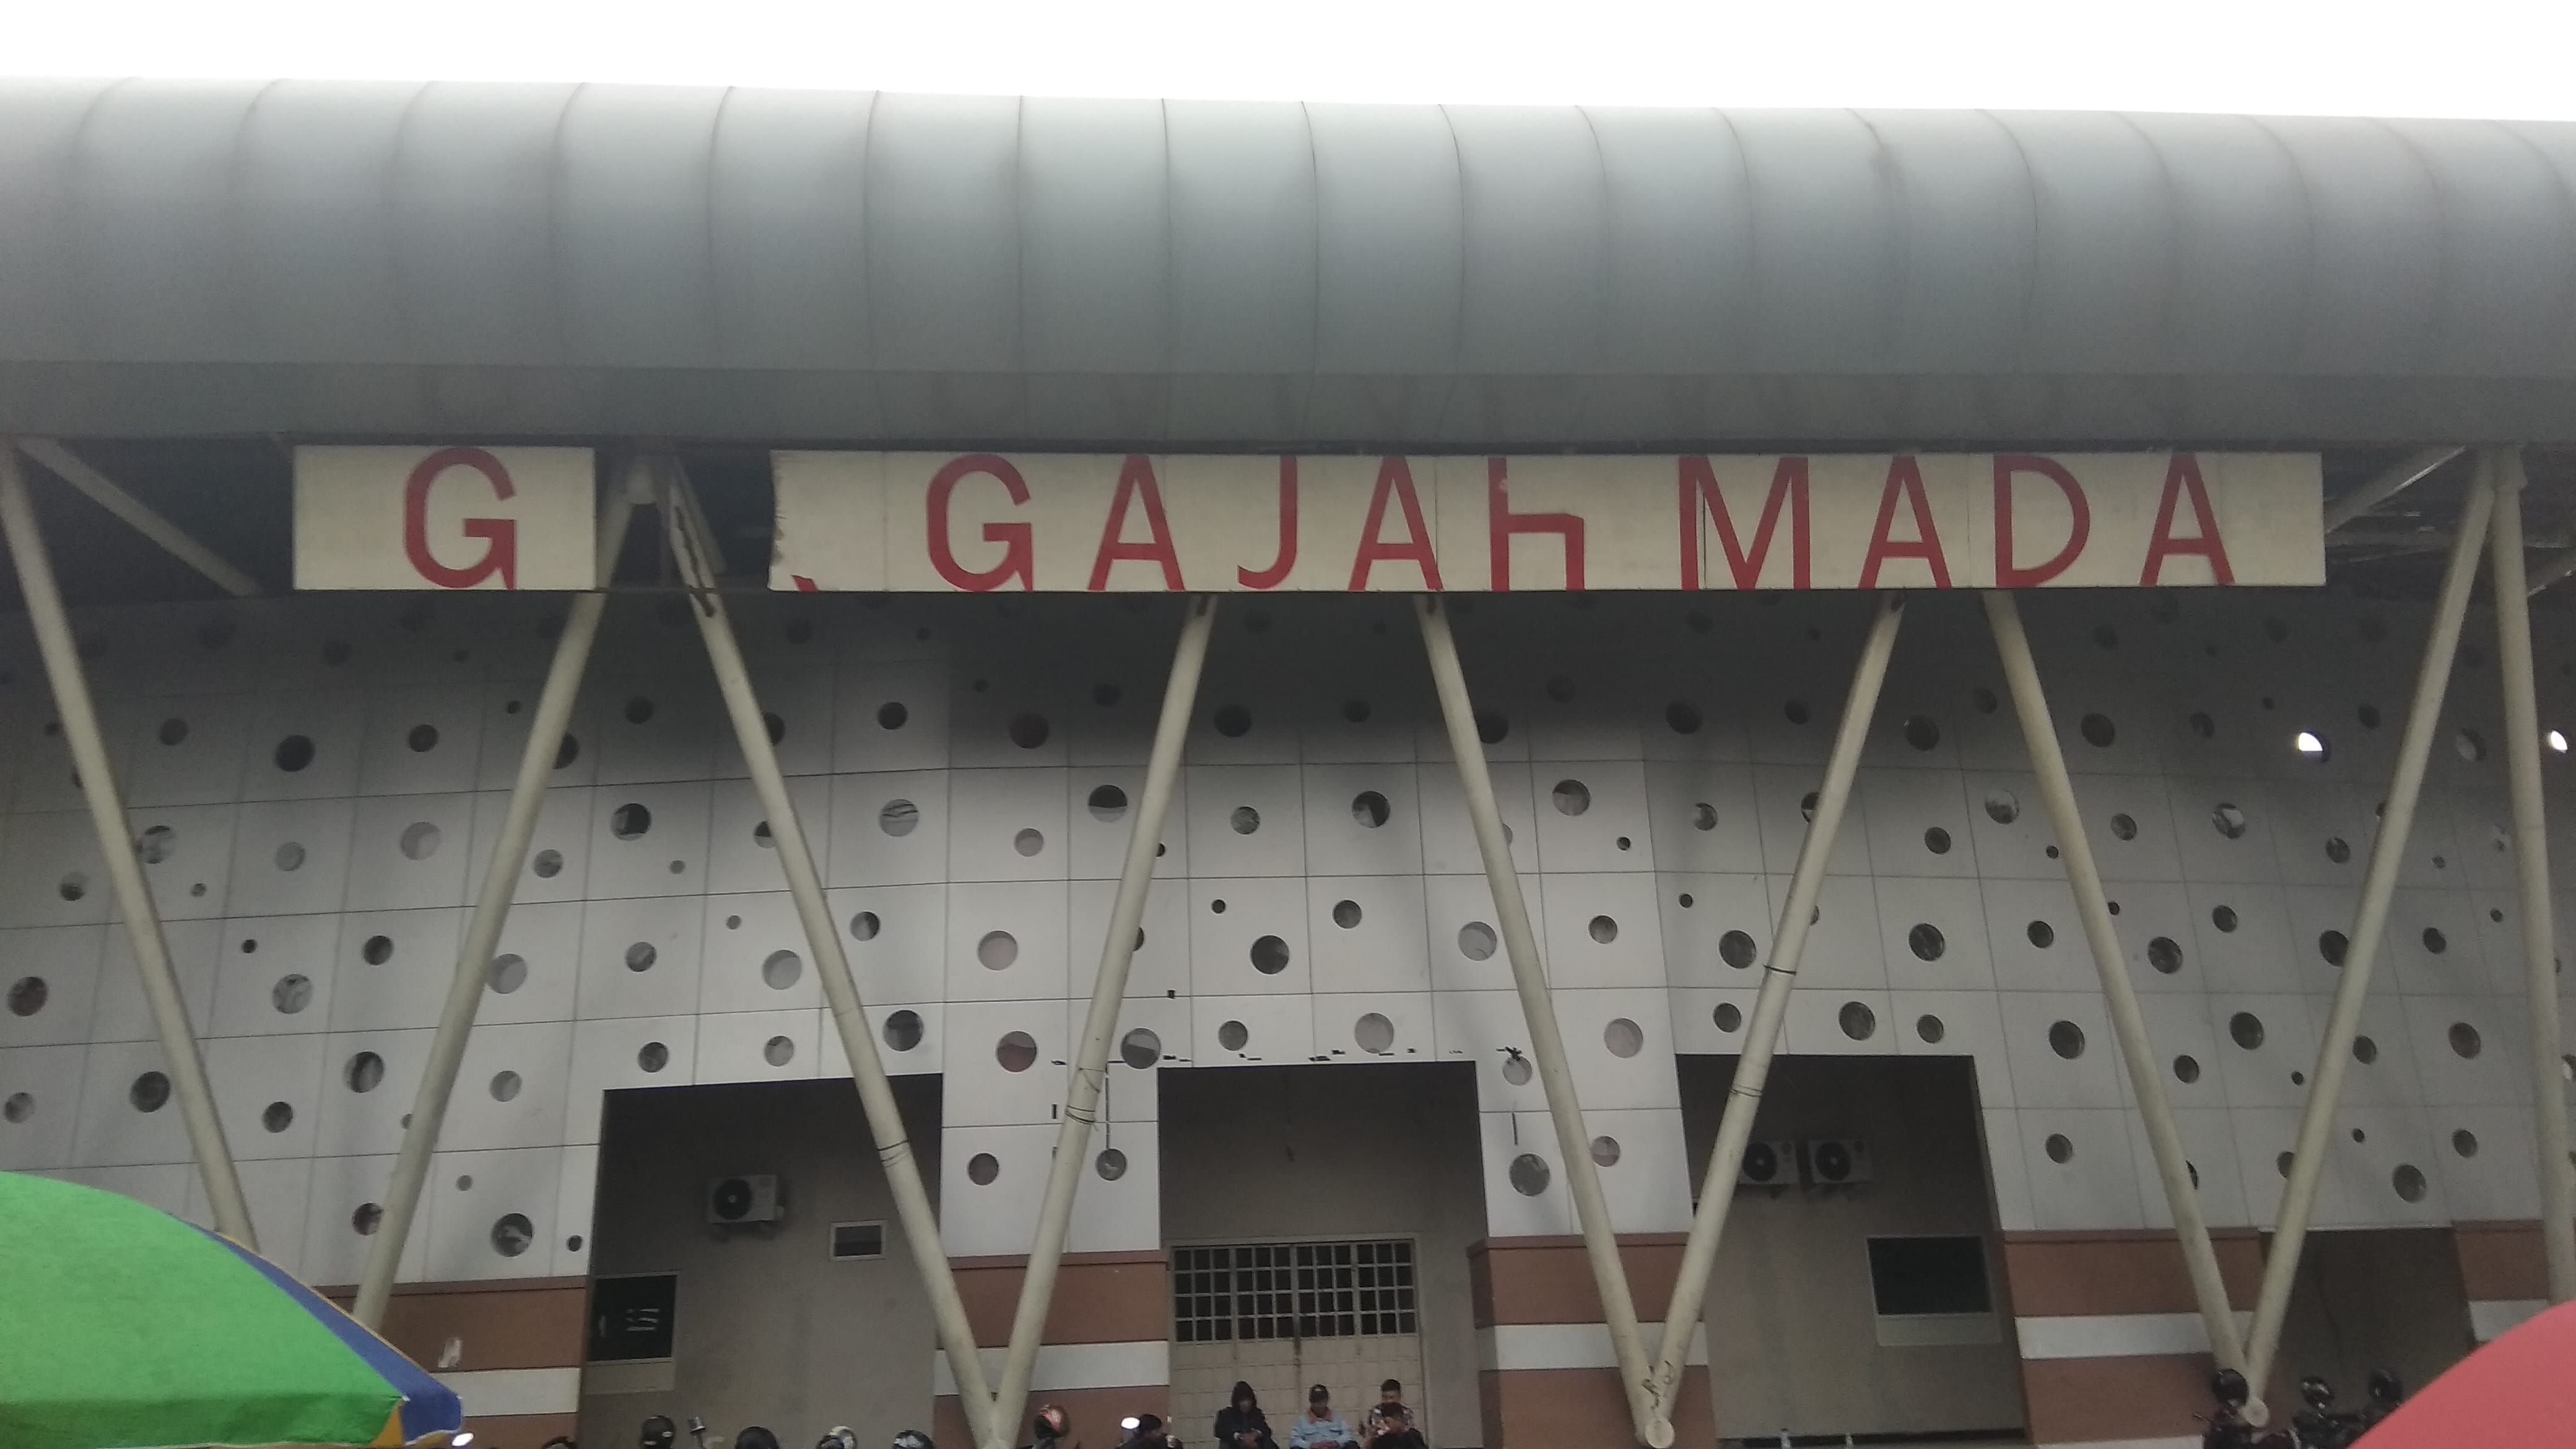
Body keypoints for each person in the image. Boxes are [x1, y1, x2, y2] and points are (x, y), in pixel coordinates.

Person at [1287, 1384, 1355, 1449]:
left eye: (1322, 1400)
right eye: (1316, 1401)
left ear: (1327, 1400)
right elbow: (1294, 1441)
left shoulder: (1337, 1418)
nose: (1319, 1404)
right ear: (1310, 1401)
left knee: (1353, 1446)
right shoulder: (1302, 1421)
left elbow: (1349, 1435)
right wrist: (1311, 1445)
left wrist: (1336, 1443)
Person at [1361, 1380, 1426, 1449]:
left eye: (1392, 1398)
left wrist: (1398, 1426)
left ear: (1399, 1397)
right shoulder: (1376, 1412)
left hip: (1402, 1442)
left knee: (1414, 1435)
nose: (1388, 1401)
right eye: (1385, 1398)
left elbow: (1408, 1430)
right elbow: (1376, 1432)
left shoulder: (1406, 1412)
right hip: (1383, 1443)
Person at [1213, 1380, 1277, 1449]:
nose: (1245, 1404)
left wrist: (1256, 1434)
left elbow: (1266, 1430)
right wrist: (1239, 1436)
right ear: (1237, 1402)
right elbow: (1219, 1431)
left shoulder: (1256, 1413)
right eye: (1242, 1401)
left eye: (1248, 1400)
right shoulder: (1226, 1414)